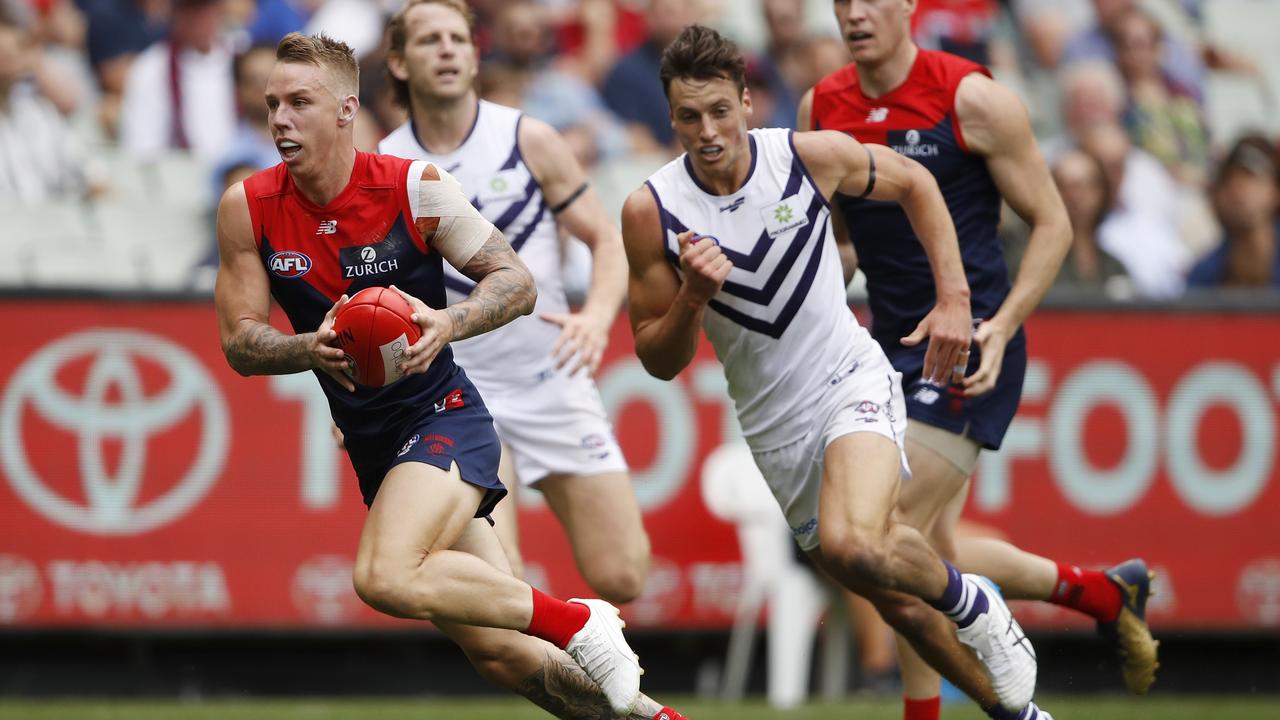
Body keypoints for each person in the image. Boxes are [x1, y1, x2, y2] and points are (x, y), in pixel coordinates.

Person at [214, 31, 688, 720]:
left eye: (299, 102)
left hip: (445, 418)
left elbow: (516, 281)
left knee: (382, 575)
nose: (280, 119)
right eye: (271, 104)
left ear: (346, 110)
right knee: (506, 654)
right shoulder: (248, 206)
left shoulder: (414, 186)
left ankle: (579, 622)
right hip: (375, 442)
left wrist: (446, 322)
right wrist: (305, 348)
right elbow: (240, 341)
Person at [625, 24, 1046, 720]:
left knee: (858, 541)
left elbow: (915, 181)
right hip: (774, 428)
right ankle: (1019, 712)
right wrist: (694, 297)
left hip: (851, 379)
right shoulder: (651, 211)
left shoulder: (804, 157)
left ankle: (976, 606)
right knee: (893, 598)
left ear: (748, 103)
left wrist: (954, 298)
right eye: (690, 116)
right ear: (670, 117)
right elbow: (657, 359)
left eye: (720, 110)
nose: (708, 130)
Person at [798, 0, 1158, 714]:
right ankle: (1101, 591)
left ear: (908, 5)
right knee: (928, 550)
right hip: (884, 352)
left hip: (970, 349)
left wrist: (1003, 324)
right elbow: (838, 239)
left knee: (878, 532)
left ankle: (961, 708)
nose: (855, 13)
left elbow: (1052, 221)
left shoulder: (973, 98)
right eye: (842, 1)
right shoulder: (823, 104)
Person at [377, 0, 650, 606]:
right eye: (428, 40)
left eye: (457, 38)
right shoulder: (384, 165)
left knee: (624, 573)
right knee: (505, 584)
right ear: (398, 61)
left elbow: (608, 240)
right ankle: (583, 679)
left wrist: (597, 317)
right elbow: (365, 293)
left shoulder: (527, 138)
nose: (447, 49)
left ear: (477, 55)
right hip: (456, 396)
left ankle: (587, 656)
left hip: (553, 378)